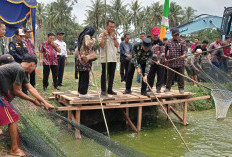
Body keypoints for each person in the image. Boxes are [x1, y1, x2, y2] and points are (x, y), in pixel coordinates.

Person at [0, 54, 54, 157]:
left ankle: (16, 147)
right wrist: (33, 101)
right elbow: (17, 91)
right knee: (13, 119)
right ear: (32, 64)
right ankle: (14, 150)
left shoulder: (18, 69)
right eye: (35, 67)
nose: (34, 69)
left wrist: (45, 102)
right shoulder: (18, 69)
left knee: (12, 116)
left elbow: (30, 88)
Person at [164, 28, 187, 94]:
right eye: (175, 35)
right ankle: (168, 88)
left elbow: (185, 50)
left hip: (180, 62)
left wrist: (184, 54)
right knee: (169, 76)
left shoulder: (182, 42)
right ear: (172, 35)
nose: (176, 36)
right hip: (171, 62)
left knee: (180, 76)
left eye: (177, 35)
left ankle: (181, 88)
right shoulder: (168, 42)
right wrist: (165, 57)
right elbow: (164, 51)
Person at [99, 20, 119, 96]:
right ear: (106, 26)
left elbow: (117, 45)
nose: (112, 28)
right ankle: (103, 90)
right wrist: (104, 36)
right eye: (110, 26)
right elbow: (101, 45)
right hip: (105, 58)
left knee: (112, 75)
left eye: (113, 27)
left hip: (113, 58)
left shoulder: (114, 35)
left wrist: (114, 38)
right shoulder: (102, 35)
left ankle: (110, 89)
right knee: (104, 74)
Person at [76, 26, 96, 98]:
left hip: (80, 58)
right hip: (85, 59)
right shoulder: (87, 36)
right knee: (85, 76)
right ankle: (83, 93)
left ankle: (80, 91)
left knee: (82, 76)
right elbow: (88, 45)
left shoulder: (82, 36)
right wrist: (93, 40)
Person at [9, 29, 29, 94]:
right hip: (16, 63)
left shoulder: (24, 43)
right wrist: (22, 58)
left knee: (25, 76)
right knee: (16, 78)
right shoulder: (12, 43)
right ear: (16, 36)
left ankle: (25, 90)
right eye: (20, 36)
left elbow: (26, 52)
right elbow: (13, 53)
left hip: (24, 63)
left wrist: (26, 59)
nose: (22, 37)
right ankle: (15, 91)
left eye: (23, 36)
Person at [147, 27, 165, 93]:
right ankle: (149, 87)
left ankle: (158, 88)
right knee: (150, 75)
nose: (156, 36)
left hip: (159, 61)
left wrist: (159, 60)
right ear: (151, 34)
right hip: (151, 62)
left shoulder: (160, 42)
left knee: (160, 75)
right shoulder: (148, 41)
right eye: (154, 35)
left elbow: (163, 52)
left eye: (157, 35)